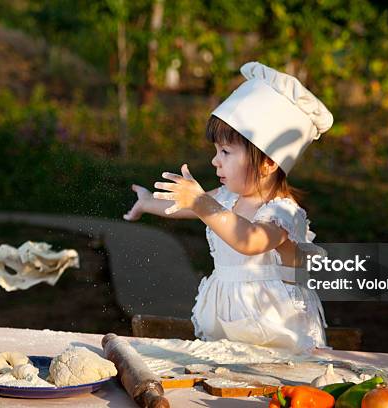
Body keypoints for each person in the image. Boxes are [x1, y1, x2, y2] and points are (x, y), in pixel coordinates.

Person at [124, 61, 334, 352]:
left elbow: (249, 241)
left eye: (225, 151)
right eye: (215, 150)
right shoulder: (225, 197)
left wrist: (201, 201)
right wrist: (148, 203)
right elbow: (187, 207)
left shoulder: (282, 213)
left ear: (268, 162)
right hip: (231, 327)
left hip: (278, 335)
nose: (215, 161)